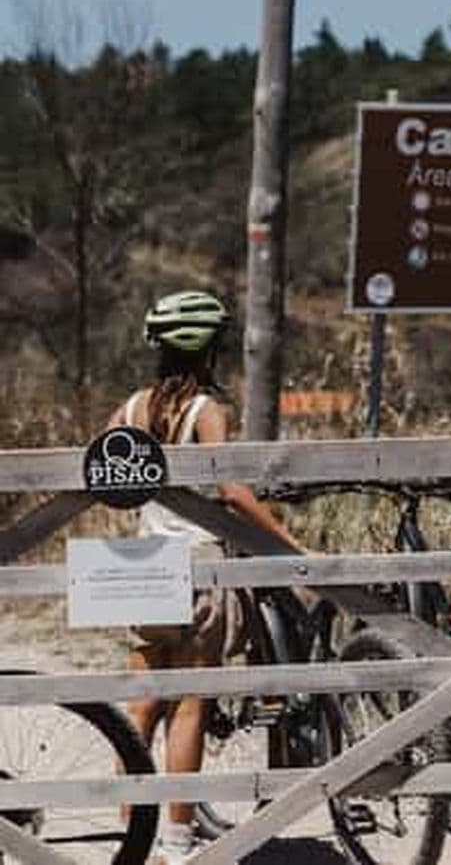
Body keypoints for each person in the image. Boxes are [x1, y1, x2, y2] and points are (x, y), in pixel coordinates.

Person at [105, 290, 301, 865]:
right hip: (197, 565)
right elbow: (232, 492)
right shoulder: (209, 411)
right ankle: (176, 842)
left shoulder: (134, 407)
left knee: (140, 707)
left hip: (142, 565)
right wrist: (289, 544)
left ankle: (130, 837)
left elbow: (102, 470)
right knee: (190, 706)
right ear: (210, 351)